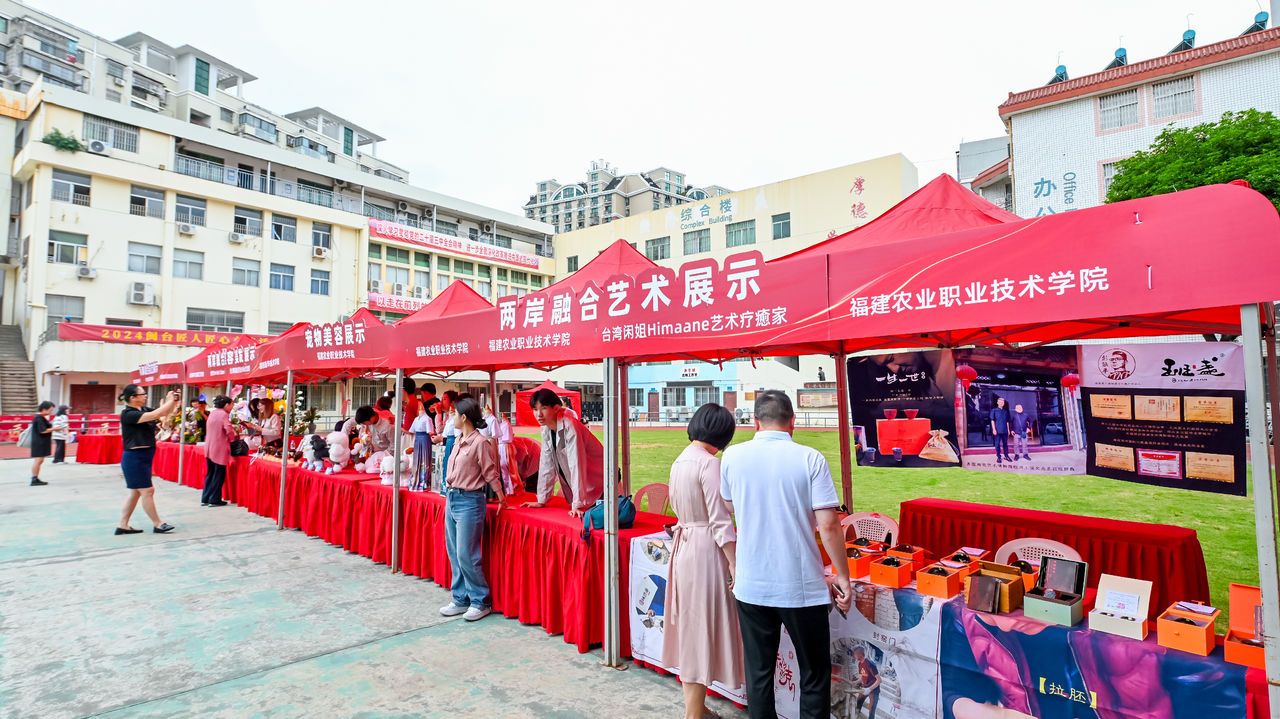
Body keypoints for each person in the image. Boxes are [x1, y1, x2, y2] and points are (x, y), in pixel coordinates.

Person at [719, 390, 851, 718]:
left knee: (759, 673)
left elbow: (730, 505)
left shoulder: (733, 457)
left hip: (753, 583)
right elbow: (829, 525)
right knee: (814, 674)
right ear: (793, 422)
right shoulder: (809, 458)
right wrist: (843, 575)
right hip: (799, 585)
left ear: (755, 422)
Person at [664, 404, 744, 719]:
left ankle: (695, 708)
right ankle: (694, 713)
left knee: (691, 627)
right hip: (704, 550)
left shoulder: (681, 459)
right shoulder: (709, 464)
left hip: (685, 546)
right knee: (700, 629)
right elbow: (720, 521)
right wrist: (734, 563)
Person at [439, 397, 505, 622]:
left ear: (464, 417)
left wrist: (501, 497)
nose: (452, 418)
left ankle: (480, 601)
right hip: (452, 498)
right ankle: (460, 598)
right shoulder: (458, 440)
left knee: (466, 554)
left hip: (470, 501)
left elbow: (490, 472)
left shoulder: (480, 442)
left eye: (455, 414)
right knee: (454, 553)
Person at [523, 387, 604, 518]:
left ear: (556, 408)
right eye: (535, 409)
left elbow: (576, 464)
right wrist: (541, 499)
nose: (539, 414)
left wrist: (578, 504)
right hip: (586, 486)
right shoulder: (546, 428)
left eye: (543, 408)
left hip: (603, 482)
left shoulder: (570, 426)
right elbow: (546, 464)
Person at [117, 385, 179, 535]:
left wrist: (173, 402)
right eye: (142, 394)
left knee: (135, 493)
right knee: (147, 491)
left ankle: (123, 525)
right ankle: (158, 523)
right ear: (133, 397)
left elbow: (164, 413)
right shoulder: (128, 414)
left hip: (144, 456)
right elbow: (158, 413)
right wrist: (169, 401)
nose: (145, 396)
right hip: (134, 458)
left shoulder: (143, 410)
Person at [203, 395, 236, 507]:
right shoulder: (223, 414)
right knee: (218, 474)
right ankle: (214, 499)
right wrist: (232, 439)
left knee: (210, 473)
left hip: (209, 446)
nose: (232, 407)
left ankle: (206, 498)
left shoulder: (213, 413)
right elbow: (229, 429)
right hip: (219, 448)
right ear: (226, 405)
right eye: (231, 404)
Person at [409, 401, 436, 491]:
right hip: (418, 439)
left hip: (425, 439)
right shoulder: (416, 419)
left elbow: (430, 432)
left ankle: (424, 482)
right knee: (416, 459)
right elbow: (411, 430)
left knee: (425, 459)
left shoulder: (427, 419)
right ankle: (415, 480)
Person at [28, 401, 55, 486]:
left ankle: (35, 478)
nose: (51, 412)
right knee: (38, 460)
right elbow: (43, 430)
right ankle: (34, 479)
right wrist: (55, 429)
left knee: (39, 460)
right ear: (44, 409)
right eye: (50, 410)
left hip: (40, 442)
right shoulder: (39, 418)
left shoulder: (40, 417)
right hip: (39, 442)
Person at [853, 646, 881, 719]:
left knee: (871, 709)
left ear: (860, 654)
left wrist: (869, 689)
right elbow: (862, 677)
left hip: (874, 689)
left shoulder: (870, 664)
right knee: (858, 702)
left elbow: (879, 680)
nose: (854, 656)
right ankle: (856, 715)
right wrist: (855, 682)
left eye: (855, 654)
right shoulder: (859, 664)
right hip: (865, 687)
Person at [437, 390, 459, 483]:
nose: (441, 401)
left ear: (452, 402)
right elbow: (439, 430)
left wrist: (438, 413)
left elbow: (440, 430)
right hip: (446, 443)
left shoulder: (456, 416)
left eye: (445, 399)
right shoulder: (446, 415)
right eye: (442, 399)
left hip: (452, 443)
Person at [990, 397, 1011, 464]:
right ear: (997, 402)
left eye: (1003, 402)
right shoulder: (994, 410)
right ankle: (999, 457)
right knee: (997, 444)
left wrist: (1008, 430)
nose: (1001, 403)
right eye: (1000, 402)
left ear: (1004, 403)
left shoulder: (1006, 411)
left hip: (1005, 430)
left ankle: (1006, 456)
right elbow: (992, 420)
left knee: (1005, 444)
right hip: (997, 430)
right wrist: (994, 429)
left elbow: (1007, 421)